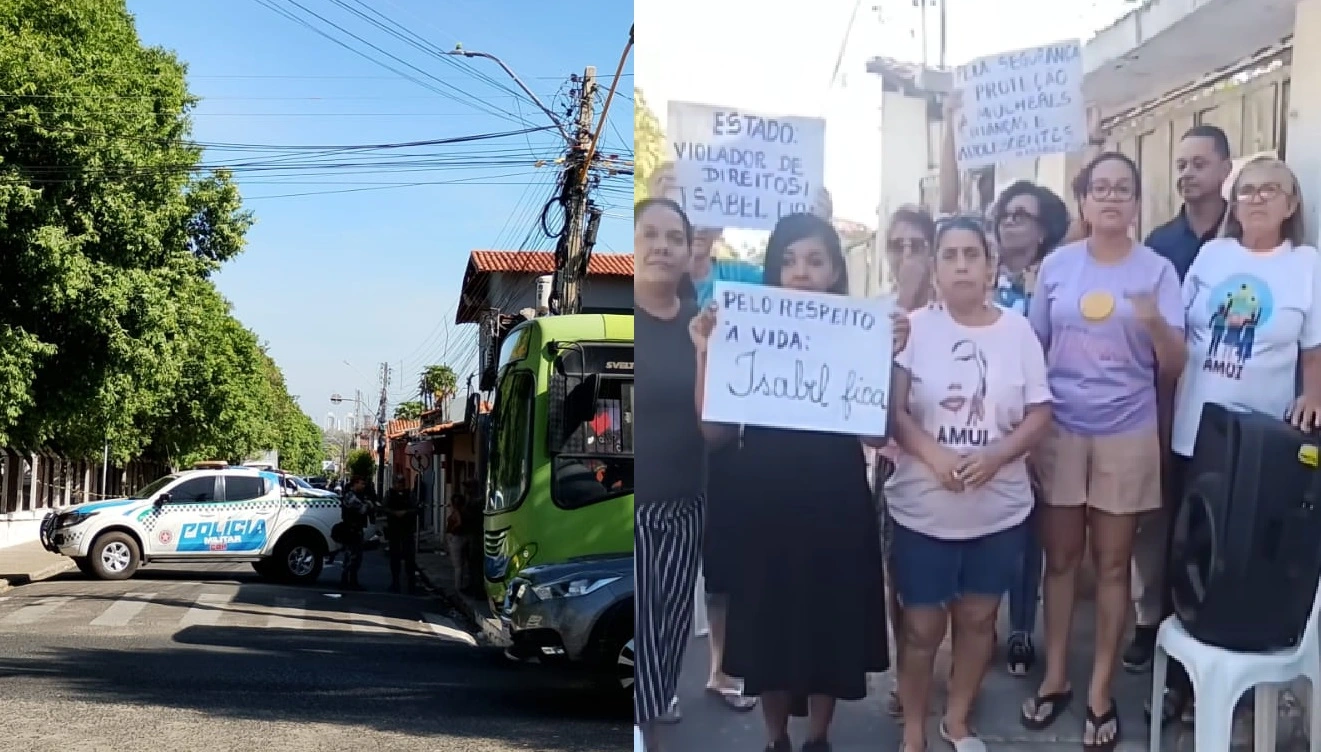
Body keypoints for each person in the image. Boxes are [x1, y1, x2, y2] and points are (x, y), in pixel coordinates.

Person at [690, 212, 906, 752]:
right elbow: (713, 431)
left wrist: (889, 359)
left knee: (828, 626)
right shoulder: (742, 327)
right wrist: (705, 353)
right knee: (769, 632)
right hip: (764, 507)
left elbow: (878, 437)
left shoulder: (861, 332)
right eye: (787, 260)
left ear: (835, 269)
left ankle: (819, 739)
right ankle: (775, 740)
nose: (800, 271)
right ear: (772, 270)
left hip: (835, 503)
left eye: (813, 260)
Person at [1022, 152, 1186, 751]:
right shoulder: (1058, 267)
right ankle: (1058, 677)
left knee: (1114, 565)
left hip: (1128, 428)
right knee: (1061, 562)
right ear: (1084, 203)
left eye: (1123, 188)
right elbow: (1032, 345)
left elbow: (1174, 366)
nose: (1111, 197)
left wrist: (1155, 324)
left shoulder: (1159, 272)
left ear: (1137, 203)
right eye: (1100, 189)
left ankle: (1099, 692)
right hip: (1061, 428)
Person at [1157, 157, 1321, 721]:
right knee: (1187, 552)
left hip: (1263, 443)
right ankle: (1181, 683)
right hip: (1197, 431)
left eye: (1269, 189)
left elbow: (1313, 347)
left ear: (1291, 204)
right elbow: (1176, 332)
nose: (1255, 199)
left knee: (1248, 557)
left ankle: (1241, 689)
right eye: (1246, 190)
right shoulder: (1212, 255)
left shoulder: (1306, 264)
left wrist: (1314, 395)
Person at [886, 216, 1052, 752]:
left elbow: (1039, 412)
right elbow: (891, 410)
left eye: (971, 255)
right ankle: (913, 729)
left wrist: (998, 455)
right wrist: (932, 455)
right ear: (934, 268)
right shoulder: (913, 329)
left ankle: (957, 721)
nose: (961, 265)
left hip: (998, 512)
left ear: (990, 266)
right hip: (923, 511)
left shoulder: (1018, 331)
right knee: (921, 628)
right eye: (949, 255)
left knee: (980, 621)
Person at [1127, 125, 1234, 691]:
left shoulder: (1244, 240)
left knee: (1214, 517)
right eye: (1181, 164)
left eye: (1199, 162)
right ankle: (1150, 619)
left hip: (1227, 403)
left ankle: (1205, 623)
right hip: (1164, 395)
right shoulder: (1160, 245)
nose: (1187, 173)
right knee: (1156, 514)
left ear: (1225, 169)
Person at [985, 181, 1072, 677]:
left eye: (1024, 215)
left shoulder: (1056, 282)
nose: (1011, 222)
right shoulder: (978, 274)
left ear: (1046, 230)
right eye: (1006, 214)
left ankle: (1020, 630)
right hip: (979, 419)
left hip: (1037, 420)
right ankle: (977, 626)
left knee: (1027, 532)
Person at [633, 197, 705, 752]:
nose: (661, 245)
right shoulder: (618, 329)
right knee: (637, 643)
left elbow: (719, 432)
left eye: (673, 237)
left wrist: (706, 353)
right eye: (649, 234)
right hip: (624, 514)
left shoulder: (701, 326)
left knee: (666, 645)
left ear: (688, 254)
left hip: (684, 509)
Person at [873, 205, 937, 720]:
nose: (908, 256)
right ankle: (906, 676)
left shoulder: (954, 310)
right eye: (899, 246)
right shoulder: (874, 313)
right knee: (900, 583)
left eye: (918, 245)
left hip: (948, 464)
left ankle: (948, 673)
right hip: (892, 466)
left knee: (950, 587)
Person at [382, 473, 418, 593]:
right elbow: (384, 507)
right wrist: (394, 513)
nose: (400, 485)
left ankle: (411, 584)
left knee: (409, 558)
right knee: (395, 557)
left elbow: (416, 508)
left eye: (401, 482)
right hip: (394, 529)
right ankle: (395, 582)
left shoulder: (410, 494)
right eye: (398, 482)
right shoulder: (389, 494)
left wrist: (406, 512)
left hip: (407, 529)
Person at [339, 477, 372, 591]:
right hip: (350, 530)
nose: (363, 486)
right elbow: (362, 509)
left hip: (357, 530)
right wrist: (368, 504)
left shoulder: (358, 496)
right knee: (351, 557)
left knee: (357, 558)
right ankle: (345, 581)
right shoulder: (350, 496)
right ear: (355, 483)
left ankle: (353, 581)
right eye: (362, 483)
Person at [445, 494, 466, 593]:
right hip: (458, 538)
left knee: (457, 565)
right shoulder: (460, 511)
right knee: (459, 564)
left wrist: (453, 529)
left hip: (456, 538)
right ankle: (459, 586)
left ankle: (458, 587)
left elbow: (460, 522)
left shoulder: (457, 512)